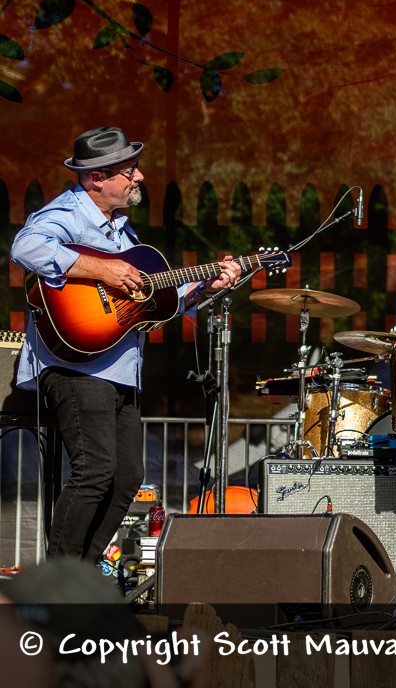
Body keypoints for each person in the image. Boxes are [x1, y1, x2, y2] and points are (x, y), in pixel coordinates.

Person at [11, 126, 241, 561]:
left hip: (119, 371)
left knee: (127, 478)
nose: (138, 177)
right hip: (78, 368)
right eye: (128, 170)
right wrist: (100, 270)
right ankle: (57, 585)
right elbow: (26, 247)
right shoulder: (68, 214)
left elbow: (158, 305)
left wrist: (205, 288)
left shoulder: (126, 234)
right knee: (95, 471)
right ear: (97, 177)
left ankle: (81, 573)